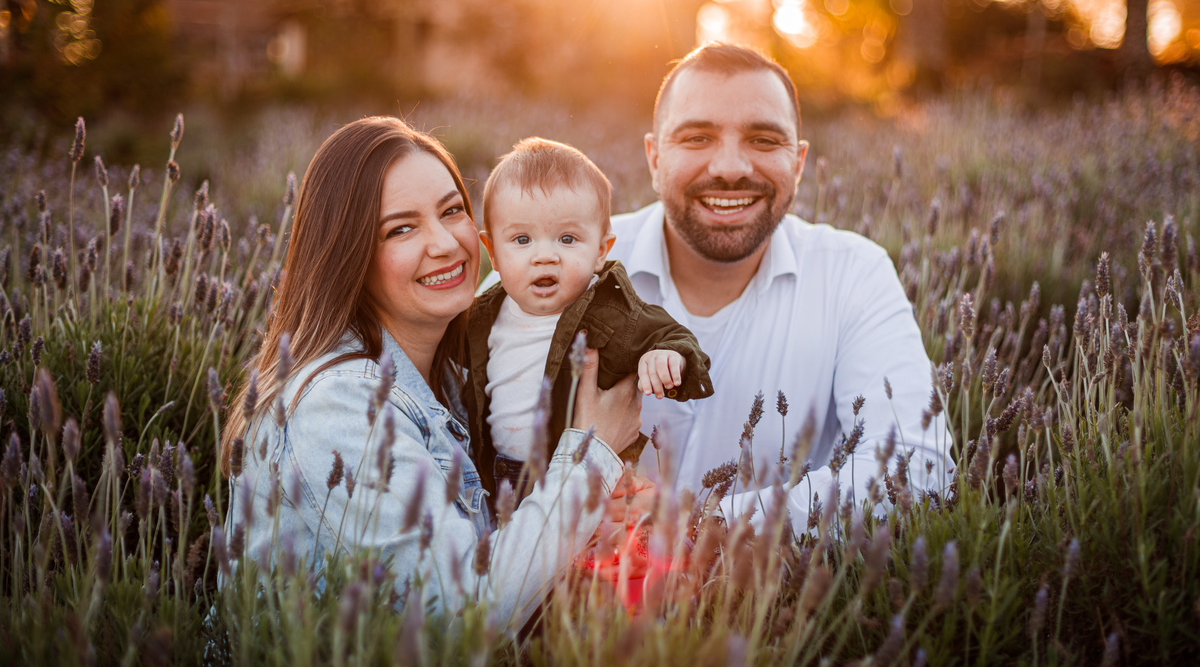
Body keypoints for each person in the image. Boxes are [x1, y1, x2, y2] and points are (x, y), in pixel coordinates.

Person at [219, 117, 644, 629]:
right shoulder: (339, 405)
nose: (445, 242)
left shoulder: (454, 378)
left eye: (452, 210)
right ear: (349, 254)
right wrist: (590, 461)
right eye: (401, 228)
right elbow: (457, 613)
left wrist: (583, 525)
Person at [608, 44, 948, 531]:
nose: (730, 167)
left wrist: (702, 526)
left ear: (799, 162)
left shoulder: (853, 274)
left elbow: (916, 472)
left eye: (764, 140)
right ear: (654, 156)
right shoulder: (578, 263)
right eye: (697, 137)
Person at [466, 137, 712, 500]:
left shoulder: (612, 311)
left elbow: (672, 336)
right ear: (493, 252)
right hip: (496, 479)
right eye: (522, 239)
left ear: (600, 252)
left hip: (586, 483)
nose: (545, 256)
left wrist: (666, 357)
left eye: (567, 239)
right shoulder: (480, 317)